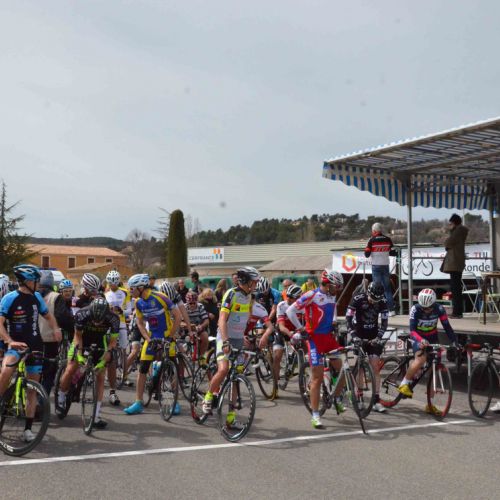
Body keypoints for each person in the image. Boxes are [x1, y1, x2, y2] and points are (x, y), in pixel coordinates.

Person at [0, 265, 61, 442]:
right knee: (5, 372)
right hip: (15, 345)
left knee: (32, 390)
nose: (39, 284)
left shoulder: (37, 298)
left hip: (35, 346)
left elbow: (48, 316)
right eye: (36, 281)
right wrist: (9, 341)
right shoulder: (9, 298)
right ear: (27, 281)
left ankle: (27, 429)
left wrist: (55, 328)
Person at [287, 269, 345, 429]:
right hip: (314, 339)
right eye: (336, 286)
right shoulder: (311, 295)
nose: (338, 289)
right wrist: (301, 329)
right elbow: (290, 311)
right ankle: (315, 415)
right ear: (328, 284)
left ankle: (337, 398)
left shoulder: (332, 294)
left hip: (328, 338)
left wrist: (334, 322)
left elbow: (333, 308)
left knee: (343, 371)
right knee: (317, 377)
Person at [202, 266, 261, 417]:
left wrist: (245, 336)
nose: (256, 284)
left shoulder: (249, 296)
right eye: (255, 281)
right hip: (225, 337)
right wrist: (226, 341)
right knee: (223, 369)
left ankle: (231, 416)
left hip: (238, 339)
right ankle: (208, 396)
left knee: (236, 377)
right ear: (247, 281)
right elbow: (222, 319)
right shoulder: (231, 294)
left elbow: (245, 318)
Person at [57, 297, 119, 429]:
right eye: (94, 320)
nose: (96, 323)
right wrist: (79, 355)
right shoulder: (82, 314)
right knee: (71, 368)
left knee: (100, 376)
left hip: (100, 342)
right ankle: (61, 397)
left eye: (100, 321)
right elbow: (77, 336)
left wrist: (104, 360)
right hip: (82, 339)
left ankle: (96, 416)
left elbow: (113, 342)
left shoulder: (113, 318)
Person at [124, 274, 181, 416]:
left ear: (140, 287)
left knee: (172, 369)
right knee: (143, 368)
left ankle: (175, 402)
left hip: (167, 337)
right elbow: (139, 322)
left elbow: (178, 316)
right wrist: (147, 338)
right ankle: (138, 402)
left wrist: (171, 335)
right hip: (152, 338)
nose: (130, 291)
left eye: (132, 288)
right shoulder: (138, 302)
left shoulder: (160, 297)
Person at [398, 288, 458, 415]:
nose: (426, 310)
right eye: (423, 308)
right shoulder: (415, 309)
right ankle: (404, 383)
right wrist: (421, 340)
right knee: (421, 359)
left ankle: (429, 405)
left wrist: (455, 341)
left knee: (433, 370)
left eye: (428, 308)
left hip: (432, 338)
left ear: (434, 303)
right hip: (418, 337)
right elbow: (412, 331)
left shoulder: (439, 309)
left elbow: (447, 327)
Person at [346, 281, 388, 413]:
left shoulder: (383, 301)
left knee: (375, 367)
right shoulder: (357, 299)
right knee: (360, 368)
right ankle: (359, 397)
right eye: (372, 298)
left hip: (373, 336)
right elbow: (348, 319)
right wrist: (354, 336)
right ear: (368, 293)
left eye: (377, 300)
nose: (374, 301)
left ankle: (376, 400)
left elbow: (385, 322)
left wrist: (379, 337)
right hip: (359, 335)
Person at [104, 270, 132, 402]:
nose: (112, 285)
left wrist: (121, 311)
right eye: (110, 283)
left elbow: (129, 310)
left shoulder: (125, 292)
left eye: (114, 283)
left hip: (121, 323)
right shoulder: (106, 294)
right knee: (109, 350)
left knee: (124, 350)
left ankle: (125, 376)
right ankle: (109, 374)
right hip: (109, 325)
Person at [268, 284, 303, 390]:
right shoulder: (282, 305)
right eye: (288, 296)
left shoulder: (302, 306)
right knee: (277, 355)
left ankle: (297, 363)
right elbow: (282, 326)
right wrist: (291, 334)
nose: (288, 299)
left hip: (296, 331)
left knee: (307, 349)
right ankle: (275, 385)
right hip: (283, 332)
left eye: (291, 297)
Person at [364, 222, 397, 316]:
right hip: (385, 265)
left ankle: (378, 310)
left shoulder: (371, 240)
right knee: (387, 289)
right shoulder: (388, 239)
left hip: (376, 266)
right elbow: (393, 252)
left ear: (374, 231)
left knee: (376, 290)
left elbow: (366, 254)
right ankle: (391, 310)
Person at [441, 213, 469, 318]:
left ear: (454, 223)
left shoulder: (458, 231)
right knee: (456, 287)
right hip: (458, 262)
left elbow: (448, 243)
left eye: (451, 223)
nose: (450, 225)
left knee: (455, 288)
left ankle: (457, 312)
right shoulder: (461, 231)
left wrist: (450, 232)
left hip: (454, 262)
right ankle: (457, 311)